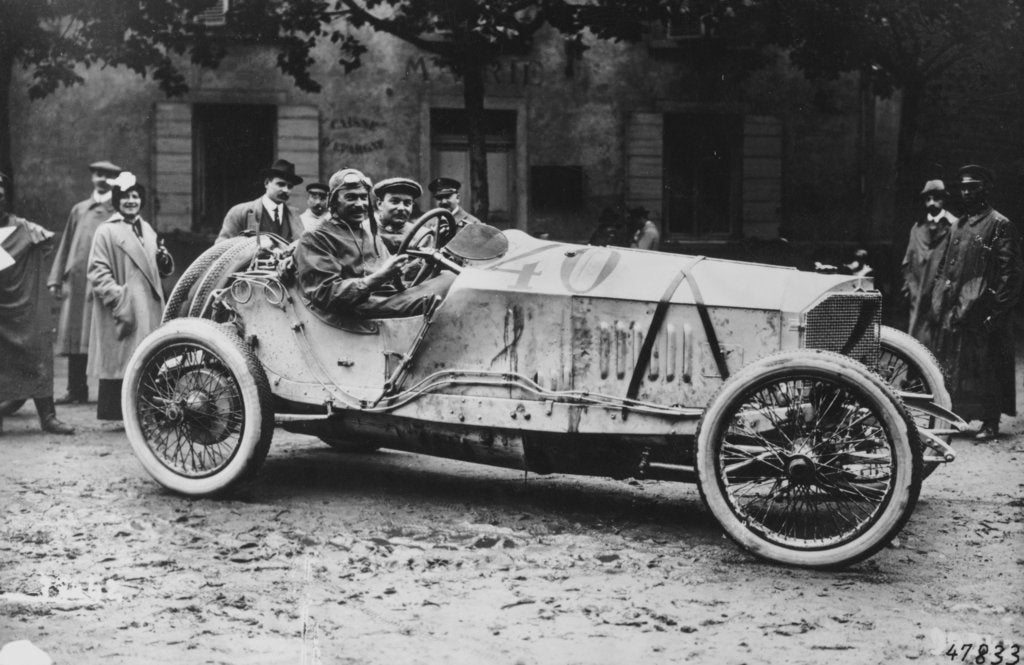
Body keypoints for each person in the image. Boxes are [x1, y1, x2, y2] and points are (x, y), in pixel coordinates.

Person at [924, 165, 1024, 440]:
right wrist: (939, 301)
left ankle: (990, 421)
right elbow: (944, 266)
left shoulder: (999, 224)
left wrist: (997, 312)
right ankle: (957, 416)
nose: (967, 192)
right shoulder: (958, 224)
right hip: (957, 309)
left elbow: (1010, 274)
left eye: (973, 187)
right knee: (957, 364)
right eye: (963, 188)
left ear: (986, 189)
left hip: (984, 311)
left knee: (987, 365)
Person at [293, 168, 455, 319]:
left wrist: (426, 265)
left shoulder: (367, 231)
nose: (360, 204)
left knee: (451, 279)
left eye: (363, 197)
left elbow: (396, 279)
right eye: (351, 197)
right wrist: (379, 277)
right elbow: (324, 294)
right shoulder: (317, 236)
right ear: (334, 201)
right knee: (444, 297)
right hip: (355, 308)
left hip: (385, 296)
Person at [86, 172, 175, 421]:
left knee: (148, 357)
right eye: (125, 197)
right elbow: (97, 271)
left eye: (135, 196)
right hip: (126, 307)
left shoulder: (147, 228)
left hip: (149, 304)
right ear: (117, 201)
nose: (131, 201)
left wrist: (163, 261)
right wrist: (118, 298)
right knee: (124, 361)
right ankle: (123, 412)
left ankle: (146, 411)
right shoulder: (106, 231)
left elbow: (156, 268)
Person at [0, 172, 75, 435]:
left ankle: (48, 416)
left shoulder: (24, 229)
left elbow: (46, 244)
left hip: (23, 307)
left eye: (0, 188)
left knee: (37, 352)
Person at [47, 159, 122, 405]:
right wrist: (56, 278)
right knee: (74, 336)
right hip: (77, 282)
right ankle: (76, 390)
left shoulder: (119, 210)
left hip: (104, 281)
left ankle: (109, 396)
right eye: (98, 174)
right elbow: (67, 243)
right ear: (92, 178)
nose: (102, 179)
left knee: (103, 336)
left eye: (108, 175)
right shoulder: (79, 209)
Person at [901, 180, 956, 339]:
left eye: (936, 198)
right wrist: (911, 286)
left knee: (939, 337)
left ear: (944, 199)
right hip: (918, 295)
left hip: (942, 295)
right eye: (928, 198)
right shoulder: (917, 228)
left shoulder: (955, 227)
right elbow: (907, 261)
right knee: (917, 338)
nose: (932, 203)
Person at [216, 159, 304, 243]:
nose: (286, 190)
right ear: (266, 183)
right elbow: (222, 247)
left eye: (290, 187)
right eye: (281, 184)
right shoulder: (240, 212)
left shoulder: (294, 216)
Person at [375, 177, 424, 252]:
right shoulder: (365, 230)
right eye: (395, 202)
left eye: (407, 203)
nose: (401, 208)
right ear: (379, 204)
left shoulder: (422, 235)